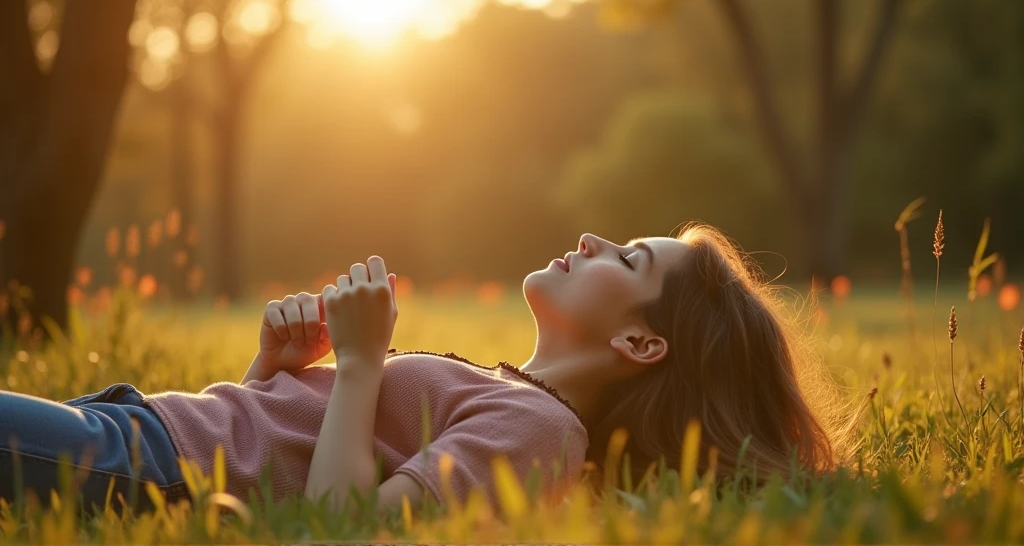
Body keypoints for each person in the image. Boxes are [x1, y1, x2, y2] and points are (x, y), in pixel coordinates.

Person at [0, 223, 848, 518]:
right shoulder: (514, 395)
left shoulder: (544, 431)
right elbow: (294, 459)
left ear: (640, 345)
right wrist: (274, 372)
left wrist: (365, 362)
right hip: (139, 433)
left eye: (625, 259)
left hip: (147, 468)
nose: (591, 240)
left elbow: (341, 522)